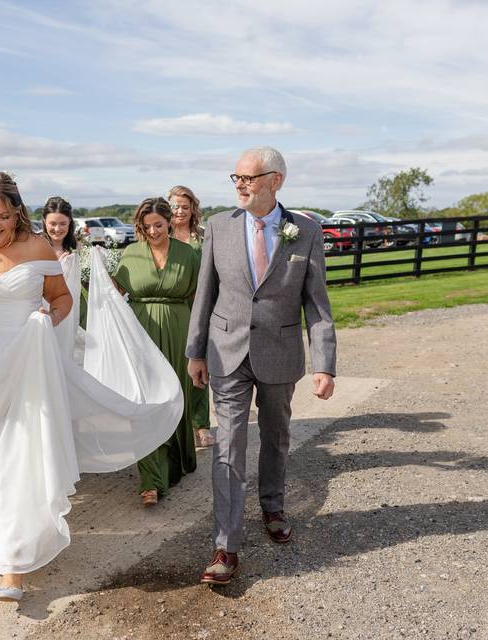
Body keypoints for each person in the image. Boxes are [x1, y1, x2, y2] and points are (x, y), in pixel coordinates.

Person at [0, 172, 183, 603]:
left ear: (17, 212)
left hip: (25, 367)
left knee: (18, 458)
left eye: (4, 216)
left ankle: (13, 566)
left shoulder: (38, 248)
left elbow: (62, 299)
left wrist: (48, 318)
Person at [185, 146, 337, 586]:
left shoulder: (305, 231)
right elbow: (205, 293)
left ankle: (272, 506)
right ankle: (225, 545)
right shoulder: (217, 226)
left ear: (276, 181)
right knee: (228, 446)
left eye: (249, 178)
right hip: (226, 351)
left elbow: (318, 304)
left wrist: (324, 363)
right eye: (236, 178)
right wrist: (196, 352)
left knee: (275, 437)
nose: (240, 186)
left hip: (280, 352)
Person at [112, 197, 200, 506]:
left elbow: (197, 296)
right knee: (146, 400)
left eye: (158, 226)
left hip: (179, 329)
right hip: (141, 333)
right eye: (146, 227)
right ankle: (151, 480)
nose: (152, 232)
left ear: (170, 222)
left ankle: (176, 461)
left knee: (176, 396)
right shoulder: (130, 254)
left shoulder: (188, 254)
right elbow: (112, 295)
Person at [167, 185, 214, 451]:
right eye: (175, 206)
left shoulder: (203, 236)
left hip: (199, 304)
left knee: (199, 364)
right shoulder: (162, 233)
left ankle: (201, 424)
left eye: (185, 206)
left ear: (193, 208)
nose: (180, 211)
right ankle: (176, 423)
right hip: (174, 306)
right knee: (174, 365)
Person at [40, 196, 81, 357]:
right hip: (40, 309)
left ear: (70, 222)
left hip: (66, 314)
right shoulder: (36, 246)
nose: (57, 229)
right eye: (53, 224)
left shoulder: (77, 250)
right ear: (44, 221)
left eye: (63, 223)